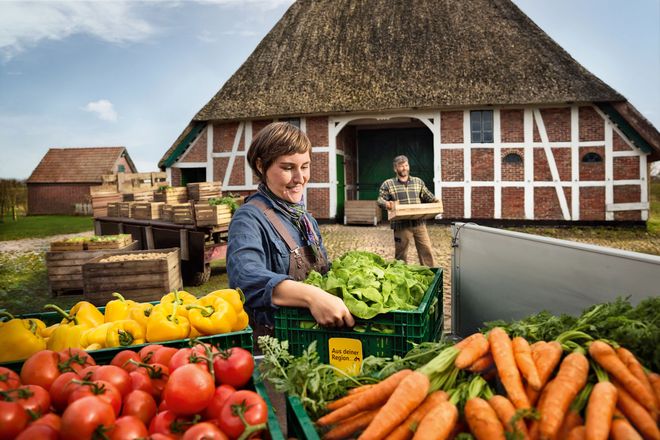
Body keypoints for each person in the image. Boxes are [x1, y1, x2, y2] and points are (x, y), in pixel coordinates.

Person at [227, 122, 355, 338]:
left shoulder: (305, 219)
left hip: (312, 338)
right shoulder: (248, 218)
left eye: (305, 166)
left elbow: (321, 274)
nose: (300, 178)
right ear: (261, 166)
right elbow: (245, 278)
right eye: (287, 168)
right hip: (275, 345)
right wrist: (311, 296)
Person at [377, 155, 440, 267]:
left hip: (419, 223)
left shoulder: (418, 182)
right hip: (401, 225)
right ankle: (401, 277)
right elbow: (380, 200)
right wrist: (386, 204)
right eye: (401, 166)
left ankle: (431, 275)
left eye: (406, 165)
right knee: (401, 255)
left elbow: (428, 196)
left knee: (426, 250)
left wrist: (437, 201)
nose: (404, 168)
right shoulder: (388, 184)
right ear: (395, 168)